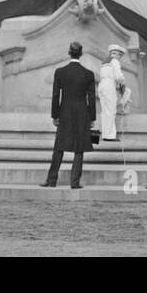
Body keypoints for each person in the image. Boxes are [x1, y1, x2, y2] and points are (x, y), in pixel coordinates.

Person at [40, 41, 96, 189]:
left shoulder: (60, 72)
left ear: (69, 52)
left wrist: (55, 115)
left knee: (59, 147)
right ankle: (75, 182)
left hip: (65, 112)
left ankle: (51, 180)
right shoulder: (88, 74)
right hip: (82, 113)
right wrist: (92, 118)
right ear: (81, 54)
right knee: (79, 149)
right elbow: (91, 98)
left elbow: (55, 95)